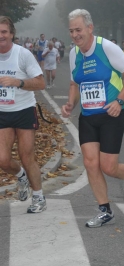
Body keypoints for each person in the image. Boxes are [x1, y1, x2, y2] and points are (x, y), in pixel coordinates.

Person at [61, 9, 124, 228]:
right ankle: (104, 210)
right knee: (91, 164)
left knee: (109, 167)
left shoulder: (106, 48)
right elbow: (74, 82)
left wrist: (120, 101)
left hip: (111, 114)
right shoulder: (74, 53)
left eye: (78, 30)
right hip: (88, 116)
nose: (75, 35)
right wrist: (70, 103)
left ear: (90, 28)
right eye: (71, 31)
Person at [0, 16, 47, 213]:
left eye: (4, 32)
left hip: (24, 111)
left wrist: (18, 82)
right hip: (3, 113)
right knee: (2, 160)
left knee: (27, 156)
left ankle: (39, 197)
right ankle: (21, 177)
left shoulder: (23, 54)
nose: (0, 36)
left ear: (11, 34)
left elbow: (41, 82)